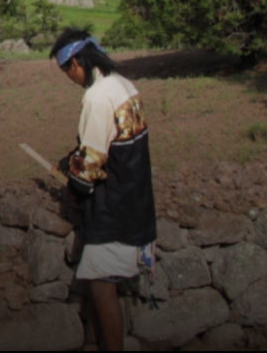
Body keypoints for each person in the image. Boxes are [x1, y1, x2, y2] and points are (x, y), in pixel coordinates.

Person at [50, 27, 156, 351]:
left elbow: (91, 165)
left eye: (65, 70)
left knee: (100, 286)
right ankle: (94, 341)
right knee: (101, 281)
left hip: (113, 209)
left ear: (76, 63)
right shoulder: (123, 84)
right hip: (137, 198)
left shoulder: (96, 97)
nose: (68, 77)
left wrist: (71, 175)